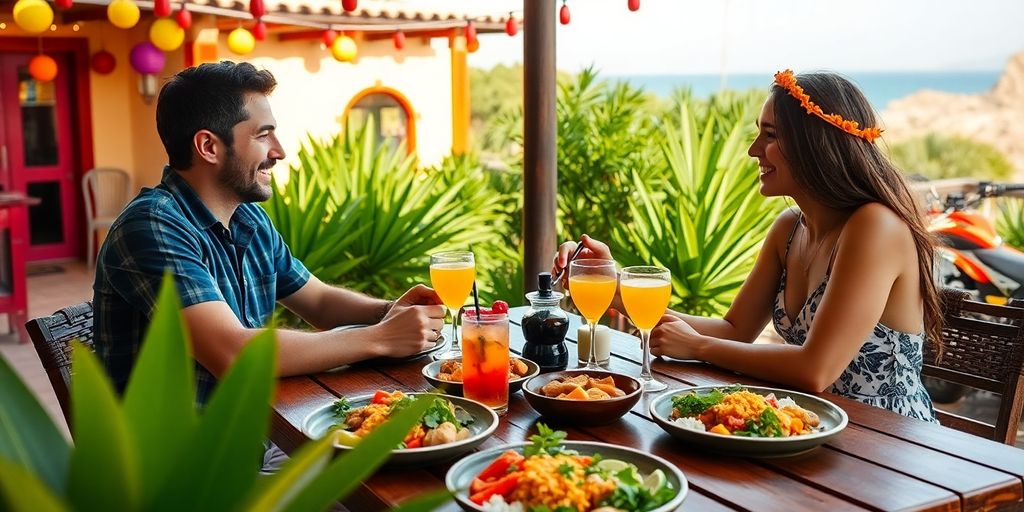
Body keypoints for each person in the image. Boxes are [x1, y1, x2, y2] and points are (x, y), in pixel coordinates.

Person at [554, 70, 940, 422]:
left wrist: (699, 347)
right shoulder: (790, 229)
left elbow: (815, 369)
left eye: (770, 135)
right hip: (809, 427)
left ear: (815, 145)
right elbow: (735, 330)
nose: (753, 150)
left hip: (888, 444)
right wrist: (611, 284)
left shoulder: (875, 227)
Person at [93, 61, 445, 410]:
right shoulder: (152, 226)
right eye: (263, 135)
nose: (279, 151)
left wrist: (388, 312)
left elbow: (318, 301)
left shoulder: (248, 220)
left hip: (253, 435)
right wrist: (380, 338)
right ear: (208, 146)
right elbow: (232, 353)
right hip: (180, 460)